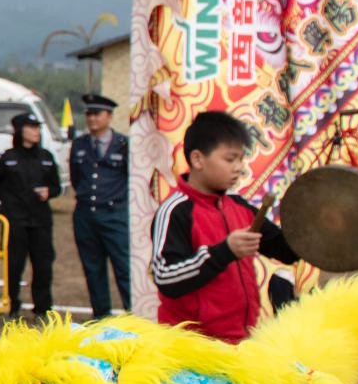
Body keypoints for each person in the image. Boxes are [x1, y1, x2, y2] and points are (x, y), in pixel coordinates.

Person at [149, 110, 299, 343]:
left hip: (240, 340)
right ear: (198, 159)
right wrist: (224, 251)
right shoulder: (175, 211)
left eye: (241, 159)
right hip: (191, 345)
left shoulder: (239, 206)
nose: (239, 167)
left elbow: (285, 250)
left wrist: (319, 224)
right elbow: (167, 278)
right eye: (230, 159)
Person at [0, 111, 60, 319]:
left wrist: (49, 192)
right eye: (31, 127)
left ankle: (42, 308)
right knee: (14, 265)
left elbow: (56, 186)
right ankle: (12, 305)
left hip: (40, 221)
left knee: (43, 266)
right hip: (15, 222)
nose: (36, 132)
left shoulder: (46, 158)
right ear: (20, 131)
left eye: (37, 128)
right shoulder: (6, 159)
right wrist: (7, 202)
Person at [68, 93, 132, 320]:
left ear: (109, 116)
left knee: (124, 267)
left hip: (115, 213)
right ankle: (101, 317)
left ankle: (134, 315)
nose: (92, 119)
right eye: (88, 114)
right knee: (93, 268)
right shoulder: (79, 144)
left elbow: (131, 178)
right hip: (86, 214)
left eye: (97, 114)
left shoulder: (124, 144)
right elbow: (76, 178)